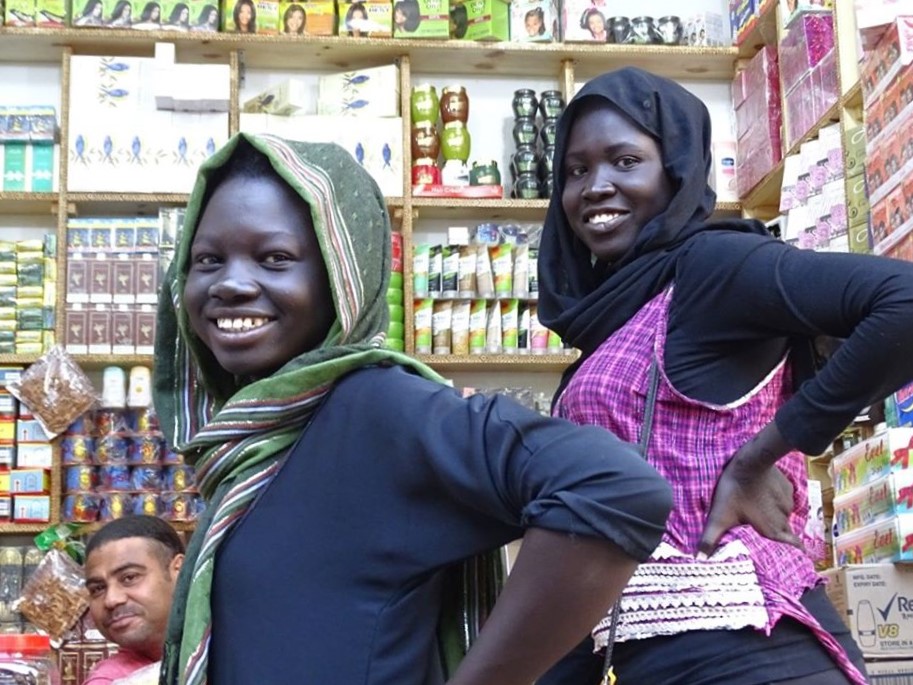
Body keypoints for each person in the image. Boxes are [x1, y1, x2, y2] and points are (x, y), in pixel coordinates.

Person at [152, 132, 672, 685]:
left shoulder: (374, 407)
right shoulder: (247, 449)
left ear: (342, 276)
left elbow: (614, 487)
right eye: (207, 259)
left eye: (275, 258)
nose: (230, 283)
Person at [536, 66, 913, 685]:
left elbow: (902, 300)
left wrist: (762, 455)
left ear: (676, 171)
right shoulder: (618, 313)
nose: (595, 187)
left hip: (751, 652)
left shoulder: (712, 266)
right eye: (576, 171)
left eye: (624, 161)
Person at [83, 516, 185, 685]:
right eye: (98, 589)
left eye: (129, 578)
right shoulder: (111, 680)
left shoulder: (230, 649)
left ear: (180, 571)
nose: (111, 600)